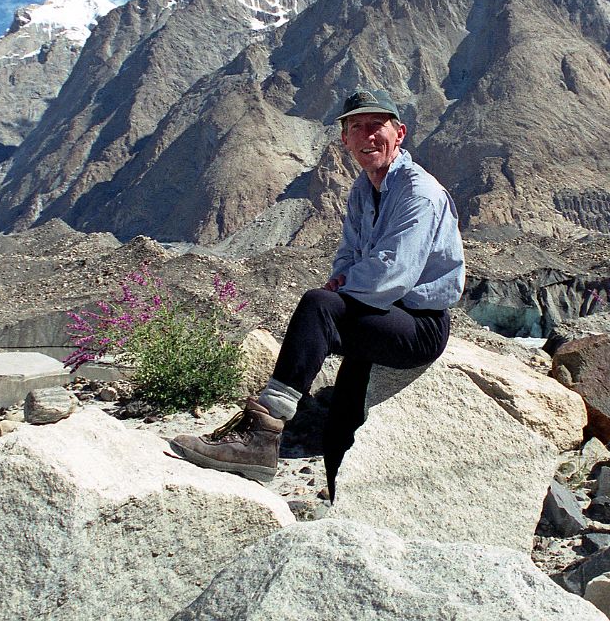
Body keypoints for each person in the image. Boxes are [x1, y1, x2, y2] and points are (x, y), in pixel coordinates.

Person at [169, 87, 465, 496]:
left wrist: (339, 294)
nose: (367, 137)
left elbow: (393, 272)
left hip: (418, 325)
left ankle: (263, 433)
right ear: (345, 140)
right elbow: (349, 253)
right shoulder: (364, 190)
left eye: (376, 126)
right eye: (355, 128)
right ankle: (339, 500)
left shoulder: (419, 192)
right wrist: (342, 279)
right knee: (343, 415)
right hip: (380, 316)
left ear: (400, 133)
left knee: (319, 306)